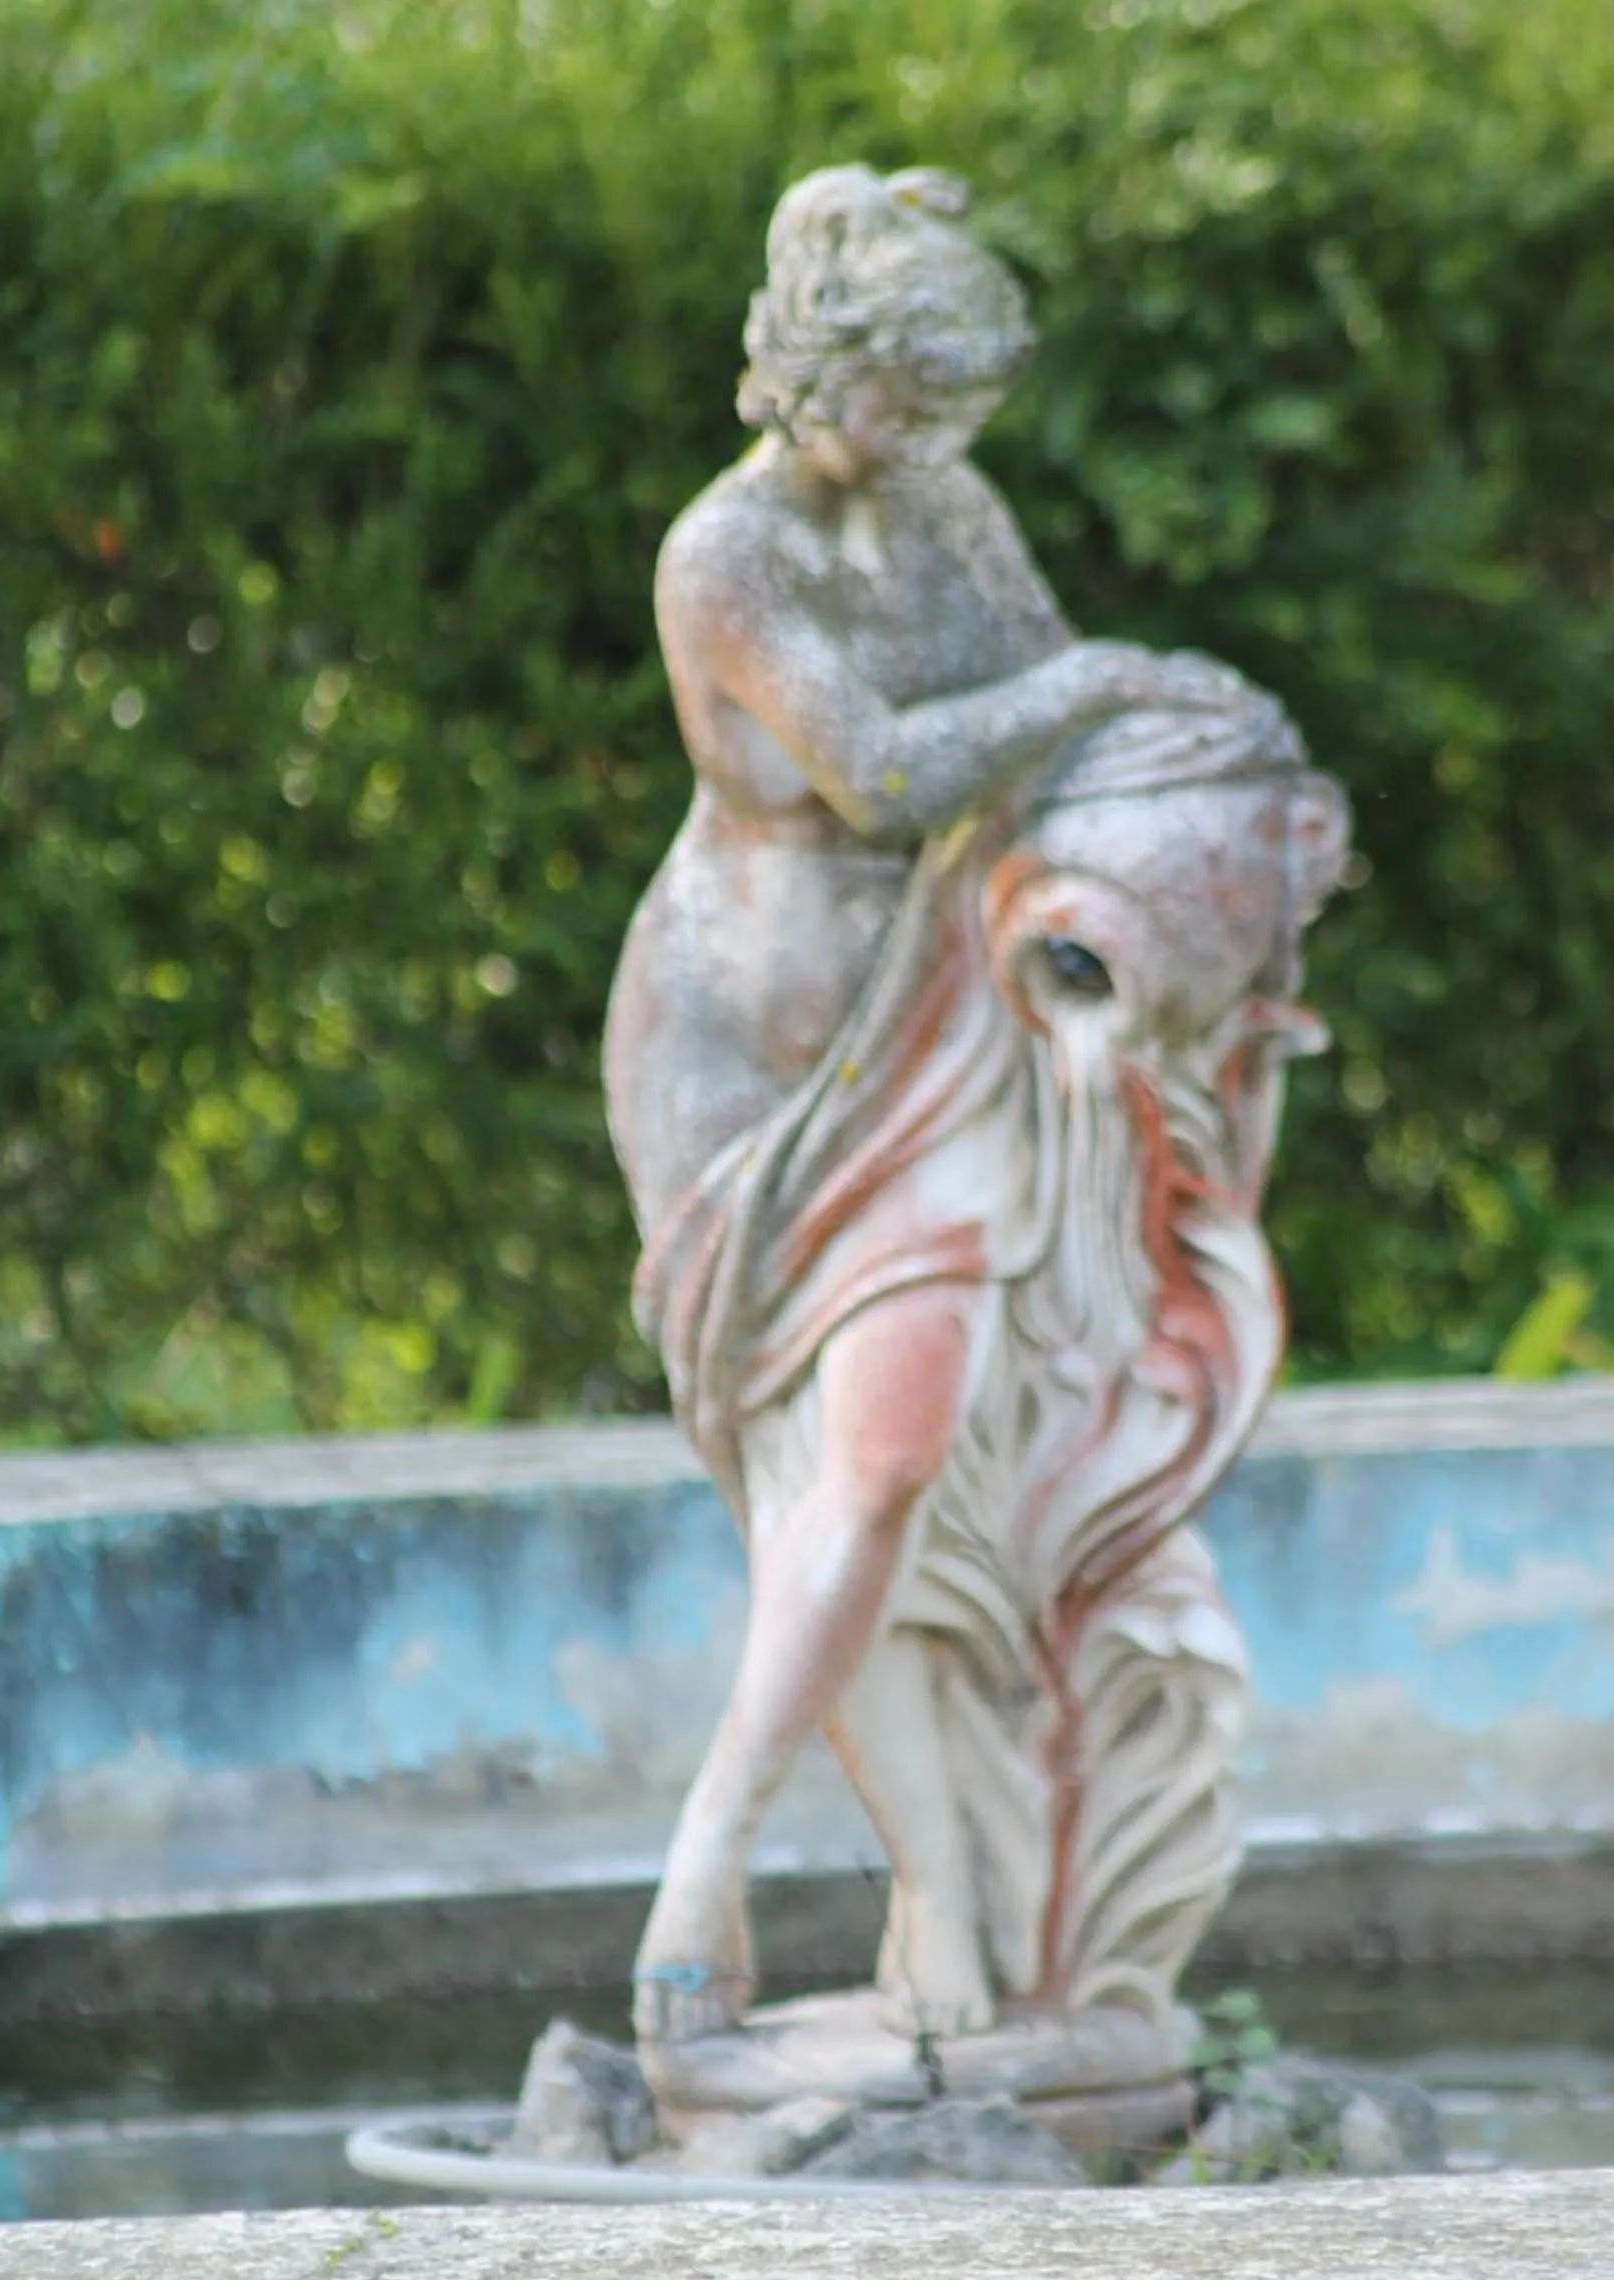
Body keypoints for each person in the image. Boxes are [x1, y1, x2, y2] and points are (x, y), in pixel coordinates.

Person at [605, 165, 1249, 2043]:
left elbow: (1043, 700)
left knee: (916, 1475)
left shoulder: (936, 500)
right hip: (746, 1058)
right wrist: (1111, 680)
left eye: (950, 413)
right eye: (901, 400)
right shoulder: (726, 558)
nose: (926, 440)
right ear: (812, 364)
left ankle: (951, 1929)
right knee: (856, 1474)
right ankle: (715, 1878)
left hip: (941, 1016)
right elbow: (883, 770)